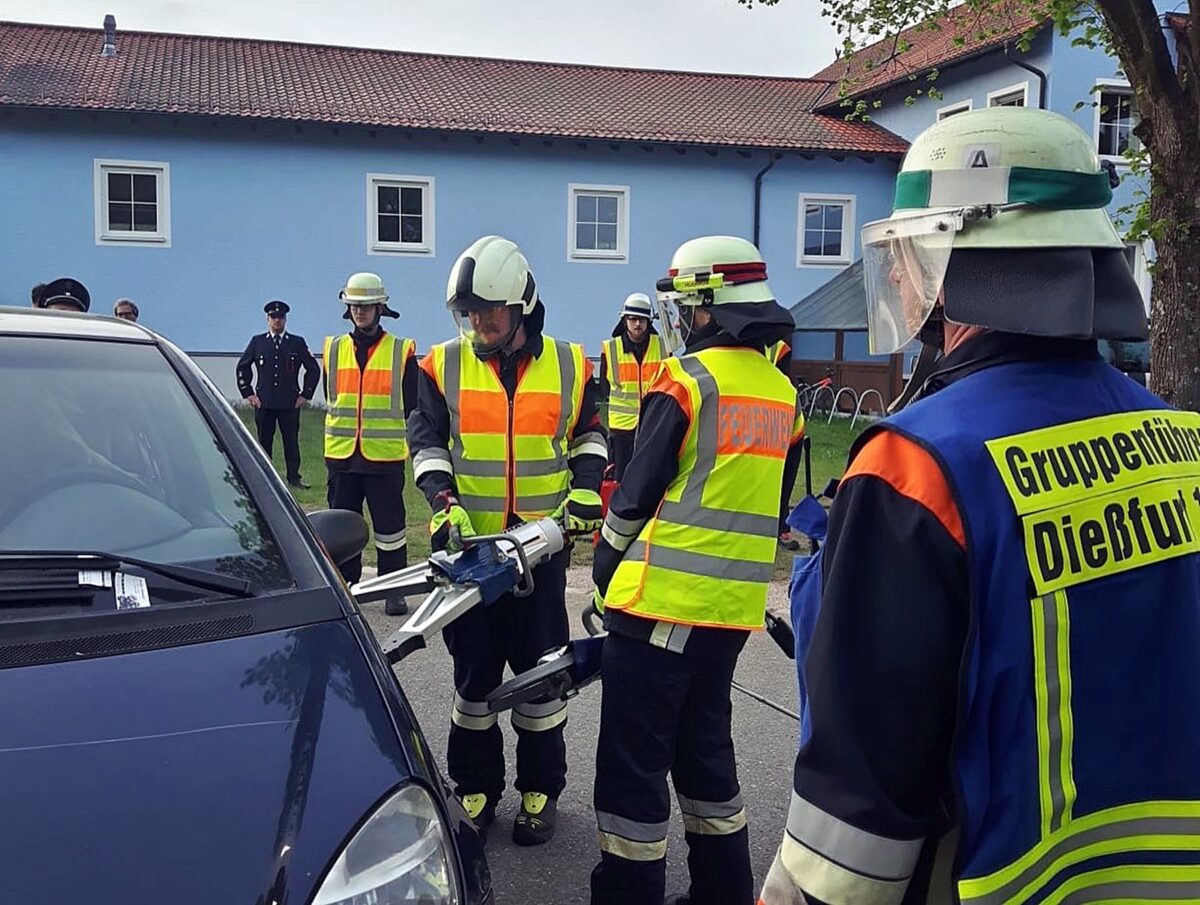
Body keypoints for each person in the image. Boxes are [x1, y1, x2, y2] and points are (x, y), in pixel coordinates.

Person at [758, 107, 1198, 905]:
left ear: (963, 257)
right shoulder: (1185, 444)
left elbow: (855, 821)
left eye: (912, 254)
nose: (898, 278)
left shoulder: (915, 468)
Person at [590, 236, 803, 905]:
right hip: (728, 615)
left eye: (685, 304)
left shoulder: (686, 380)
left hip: (657, 609)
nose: (679, 317)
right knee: (706, 756)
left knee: (632, 777)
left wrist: (603, 565)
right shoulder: (784, 394)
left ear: (708, 307)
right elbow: (771, 507)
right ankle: (723, 893)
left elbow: (635, 493)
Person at [409, 235, 606, 846]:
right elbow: (426, 441)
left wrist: (587, 488)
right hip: (471, 555)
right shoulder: (441, 364)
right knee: (473, 681)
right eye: (468, 313)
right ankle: (475, 786)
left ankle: (540, 789)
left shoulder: (572, 364)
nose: (478, 324)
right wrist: (444, 504)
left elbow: (590, 437)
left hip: (541, 554)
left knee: (543, 679)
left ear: (522, 305)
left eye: (489, 311)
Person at [323, 273, 418, 615]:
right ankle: (347, 587)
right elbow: (331, 397)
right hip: (342, 456)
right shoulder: (333, 349)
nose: (359, 312)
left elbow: (412, 405)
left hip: (384, 457)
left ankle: (394, 588)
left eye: (365, 306)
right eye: (354, 306)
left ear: (380, 308)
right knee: (342, 527)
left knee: (390, 529)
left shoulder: (401, 351)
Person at [236, 300, 320, 489]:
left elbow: (313, 369)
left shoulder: (296, 343)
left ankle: (294, 478)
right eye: (273, 317)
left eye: (280, 317)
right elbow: (243, 367)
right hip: (264, 402)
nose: (277, 321)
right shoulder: (258, 342)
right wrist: (248, 393)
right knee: (264, 441)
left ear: (285, 320)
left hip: (289, 402)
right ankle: (265, 478)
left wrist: (305, 395)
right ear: (268, 320)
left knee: (291, 442)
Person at [599, 293, 666, 481]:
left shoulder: (662, 346)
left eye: (642, 320)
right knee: (623, 479)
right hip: (622, 429)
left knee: (651, 477)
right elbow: (605, 387)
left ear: (649, 322)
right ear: (625, 320)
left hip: (653, 422)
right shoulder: (611, 348)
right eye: (633, 319)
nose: (638, 324)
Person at [766, 338, 804, 551]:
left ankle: (781, 526)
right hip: (760, 417)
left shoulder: (779, 349)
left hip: (785, 421)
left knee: (784, 478)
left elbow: (784, 385)